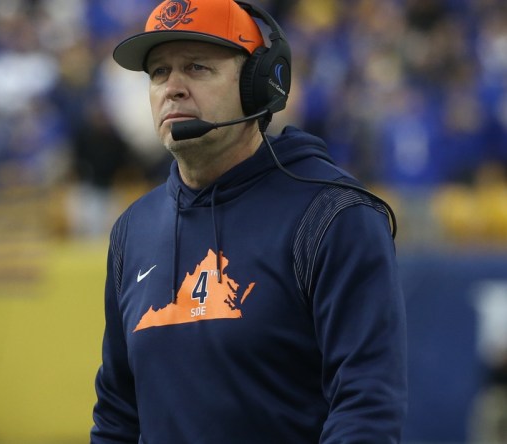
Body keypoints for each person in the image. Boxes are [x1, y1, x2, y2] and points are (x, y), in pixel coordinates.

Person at [89, 0, 408, 442]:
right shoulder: (133, 229)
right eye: (159, 72)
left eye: (197, 68)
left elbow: (365, 407)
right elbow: (118, 416)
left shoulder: (334, 217)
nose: (172, 88)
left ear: (260, 85)